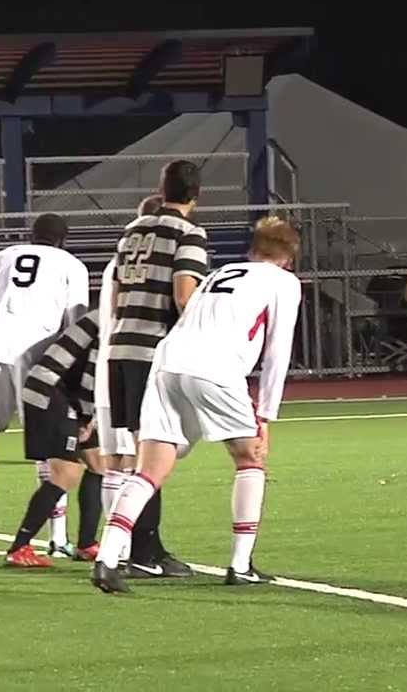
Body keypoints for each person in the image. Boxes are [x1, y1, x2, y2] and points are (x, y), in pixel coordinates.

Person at [92, 216, 302, 593]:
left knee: (150, 470)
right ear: (288, 256)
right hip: (215, 367)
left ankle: (107, 560)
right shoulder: (284, 282)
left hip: (167, 363)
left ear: (253, 248)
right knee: (249, 459)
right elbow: (278, 351)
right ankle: (240, 565)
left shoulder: (219, 274)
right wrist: (265, 416)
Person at [0, 213, 89, 567]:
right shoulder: (71, 264)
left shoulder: (1, 257)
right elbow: (76, 325)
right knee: (50, 448)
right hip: (36, 355)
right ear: (63, 240)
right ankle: (57, 538)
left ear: (31, 235)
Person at [105, 160, 209, 579]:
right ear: (196, 195)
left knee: (146, 451)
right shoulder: (189, 233)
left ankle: (146, 548)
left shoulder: (132, 230)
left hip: (121, 346)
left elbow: (116, 294)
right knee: (161, 451)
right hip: (155, 351)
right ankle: (142, 552)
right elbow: (185, 295)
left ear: (162, 189)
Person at [6, 309, 104, 567]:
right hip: (50, 391)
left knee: (98, 463)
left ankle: (87, 544)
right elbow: (93, 371)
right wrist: (86, 417)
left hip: (61, 391)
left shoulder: (107, 313)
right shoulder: (112, 319)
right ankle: (19, 547)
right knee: (66, 473)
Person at [91, 195, 160, 563]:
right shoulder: (146, 265)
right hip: (133, 364)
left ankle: (118, 548)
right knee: (133, 462)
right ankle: (125, 550)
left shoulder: (117, 263)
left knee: (114, 462)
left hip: (109, 364)